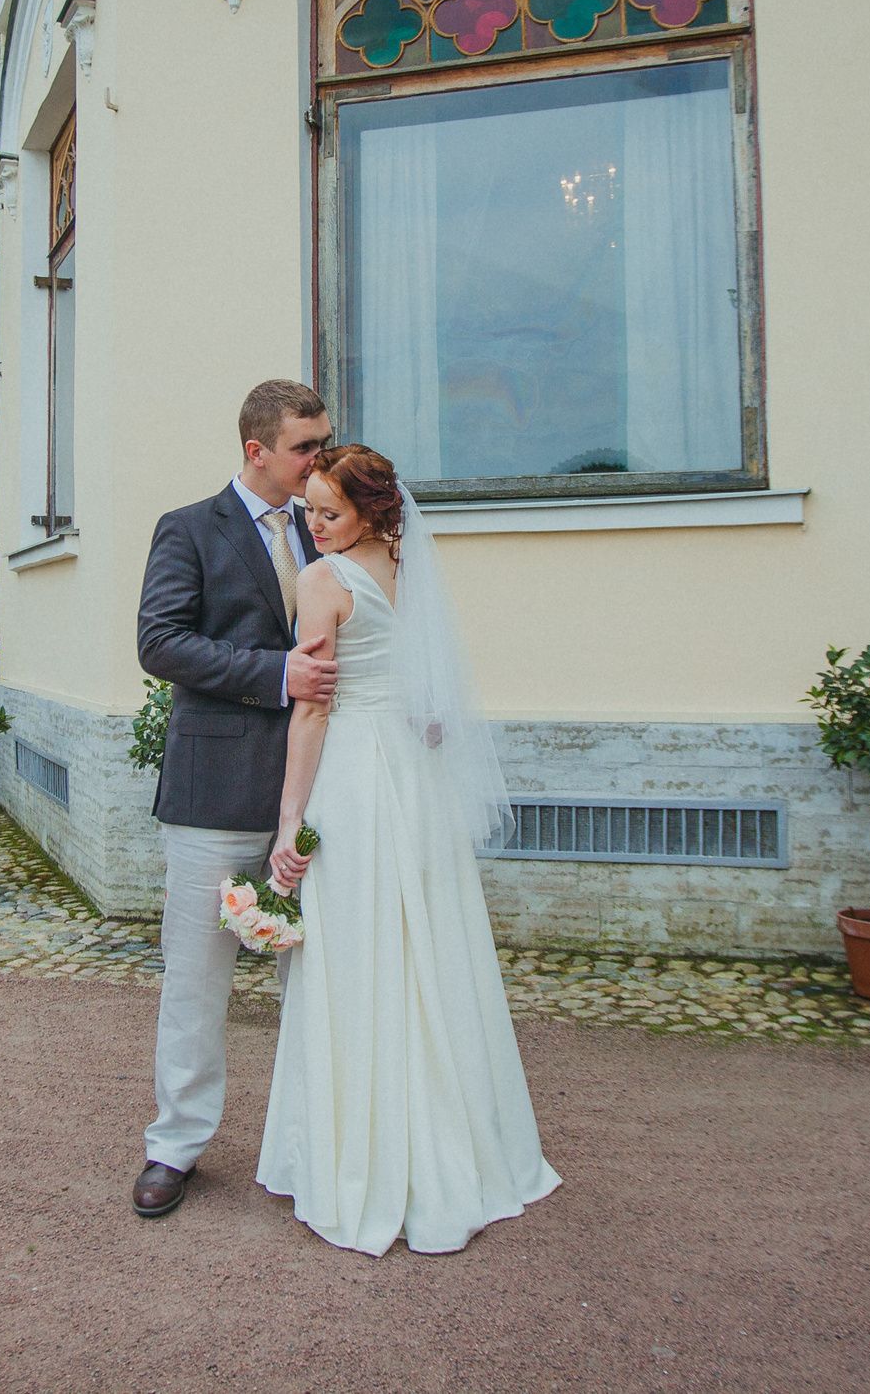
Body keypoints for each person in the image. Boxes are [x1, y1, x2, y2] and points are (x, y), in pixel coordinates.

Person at [257, 444, 560, 1255]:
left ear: (373, 513)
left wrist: (289, 823)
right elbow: (429, 686)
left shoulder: (323, 583)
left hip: (356, 776)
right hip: (416, 779)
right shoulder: (402, 560)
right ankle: (451, 1144)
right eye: (311, 508)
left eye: (331, 512)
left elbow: (313, 710)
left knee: (356, 955)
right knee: (427, 951)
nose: (314, 525)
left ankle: (363, 1159)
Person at [131, 379, 340, 1219]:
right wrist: (274, 674)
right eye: (303, 447)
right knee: (196, 982)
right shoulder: (188, 528)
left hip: (321, 796)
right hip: (214, 794)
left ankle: (316, 1143)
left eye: (323, 442)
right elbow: (160, 641)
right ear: (256, 449)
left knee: (322, 981)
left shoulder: (328, 528)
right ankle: (173, 1146)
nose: (318, 460)